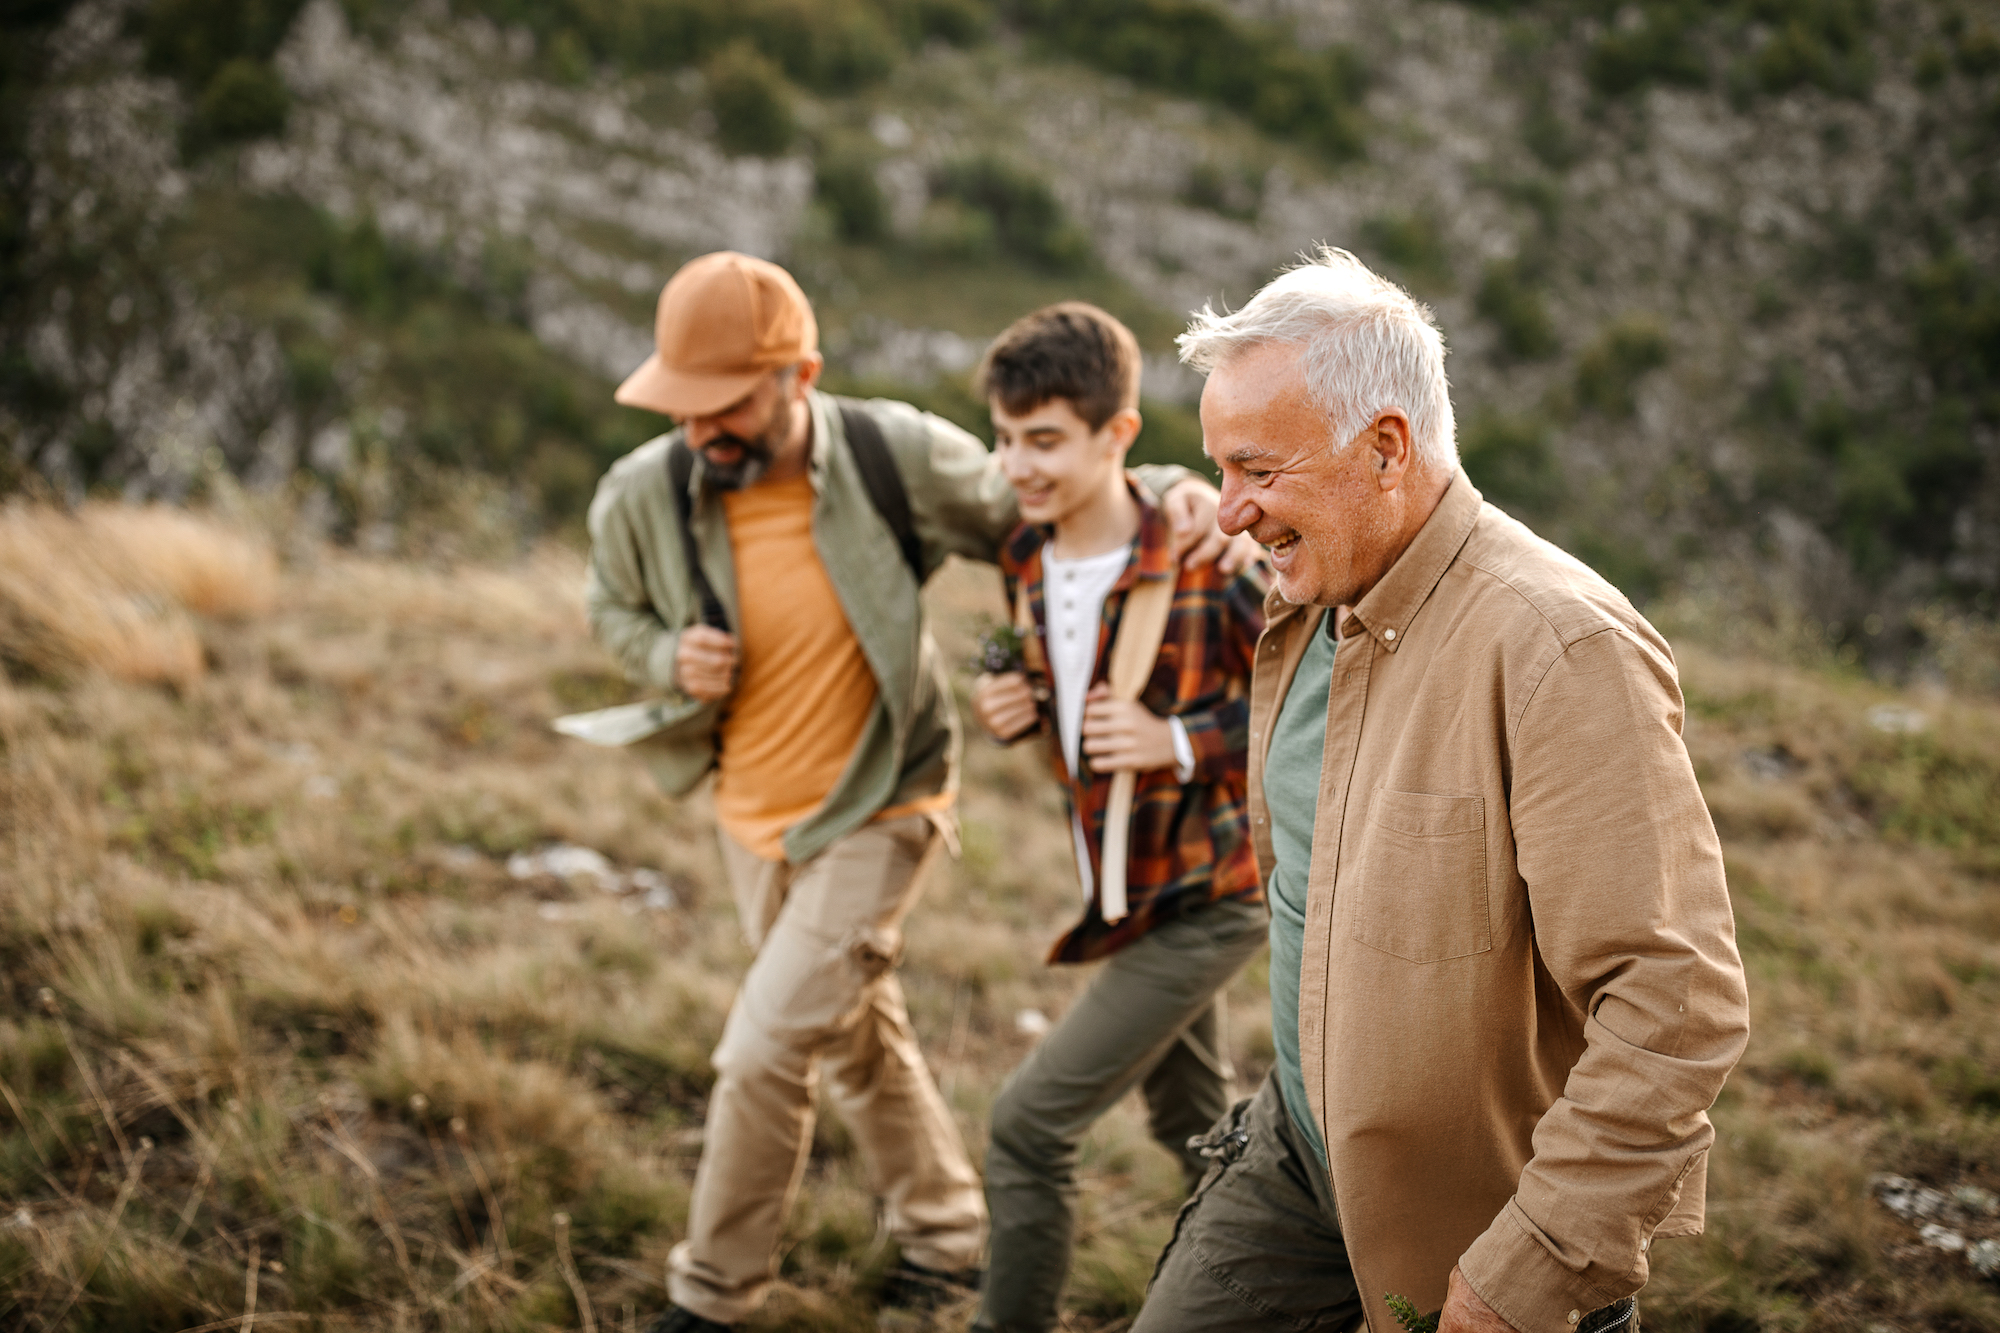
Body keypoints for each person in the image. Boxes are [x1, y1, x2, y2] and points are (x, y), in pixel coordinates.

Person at [570, 251, 1250, 1333]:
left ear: (800, 375)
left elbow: (1057, 485)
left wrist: (1180, 489)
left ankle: (710, 1295)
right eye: (682, 403)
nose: (701, 427)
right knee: (849, 1029)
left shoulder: (892, 456)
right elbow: (607, 604)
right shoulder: (643, 490)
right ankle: (944, 1236)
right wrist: (661, 655)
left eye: (727, 401)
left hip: (883, 805)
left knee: (762, 1049)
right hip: (748, 816)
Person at [1130, 248, 1751, 1333]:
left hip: (1477, 1229)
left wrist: (1529, 1269)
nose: (1228, 513)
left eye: (1255, 471)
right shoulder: (1311, 589)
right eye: (1214, 471)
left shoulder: (1561, 647)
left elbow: (1674, 1007)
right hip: (1293, 1153)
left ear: (1384, 449)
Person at [961, 304, 1270, 1333]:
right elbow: (1078, 734)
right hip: (1132, 894)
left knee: (1024, 1129)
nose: (1019, 464)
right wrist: (1015, 711)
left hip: (1211, 896)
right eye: (1005, 439)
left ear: (1116, 435)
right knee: (1192, 1126)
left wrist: (1175, 742)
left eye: (1043, 439)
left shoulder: (1206, 555)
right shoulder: (1023, 559)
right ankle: (1282, 1290)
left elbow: (1312, 710)